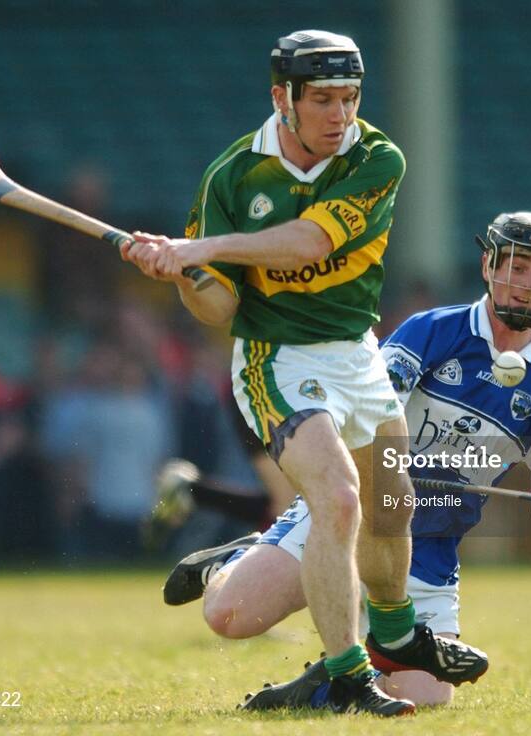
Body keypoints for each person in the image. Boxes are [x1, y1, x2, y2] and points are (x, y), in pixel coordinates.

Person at [119, 30, 487, 715]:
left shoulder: (376, 157)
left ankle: (396, 629)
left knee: (389, 508)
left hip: (356, 352)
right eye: (321, 99)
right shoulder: (232, 177)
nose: (338, 115)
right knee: (340, 499)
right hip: (278, 358)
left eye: (349, 98)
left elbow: (309, 242)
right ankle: (349, 674)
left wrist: (203, 245)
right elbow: (222, 306)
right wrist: (184, 275)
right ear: (281, 99)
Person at [161, 212, 531, 709]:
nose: (528, 285)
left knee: (427, 698)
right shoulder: (433, 332)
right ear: (489, 264)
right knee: (229, 616)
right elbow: (371, 407)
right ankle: (233, 559)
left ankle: (319, 684)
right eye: (519, 267)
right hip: (356, 514)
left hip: (431, 550)